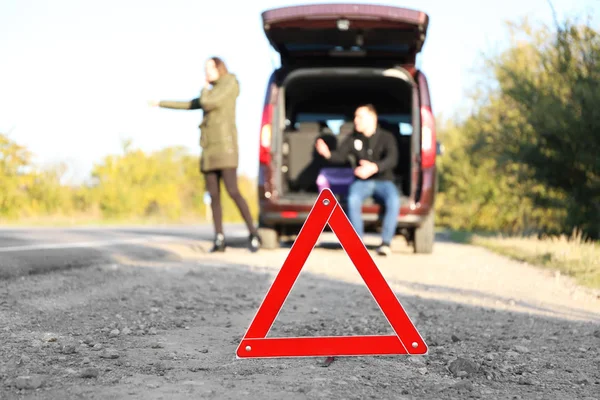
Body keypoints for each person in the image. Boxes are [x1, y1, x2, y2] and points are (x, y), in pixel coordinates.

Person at [149, 57, 261, 253]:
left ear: (220, 67)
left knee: (233, 191)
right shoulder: (209, 93)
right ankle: (219, 238)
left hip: (226, 148)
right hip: (209, 149)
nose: (207, 71)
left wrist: (204, 89)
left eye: (211, 67)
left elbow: (209, 102)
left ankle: (253, 233)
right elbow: (191, 104)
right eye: (205, 68)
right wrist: (161, 103)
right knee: (214, 195)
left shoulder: (230, 84)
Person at [315, 104, 400, 256]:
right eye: (355, 117)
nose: (356, 120)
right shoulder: (353, 138)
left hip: (384, 181)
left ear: (372, 118)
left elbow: (392, 159)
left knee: (393, 200)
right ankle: (357, 243)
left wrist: (375, 167)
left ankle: (386, 243)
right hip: (362, 182)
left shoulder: (387, 137)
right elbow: (340, 157)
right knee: (352, 198)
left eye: (360, 117)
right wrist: (327, 154)